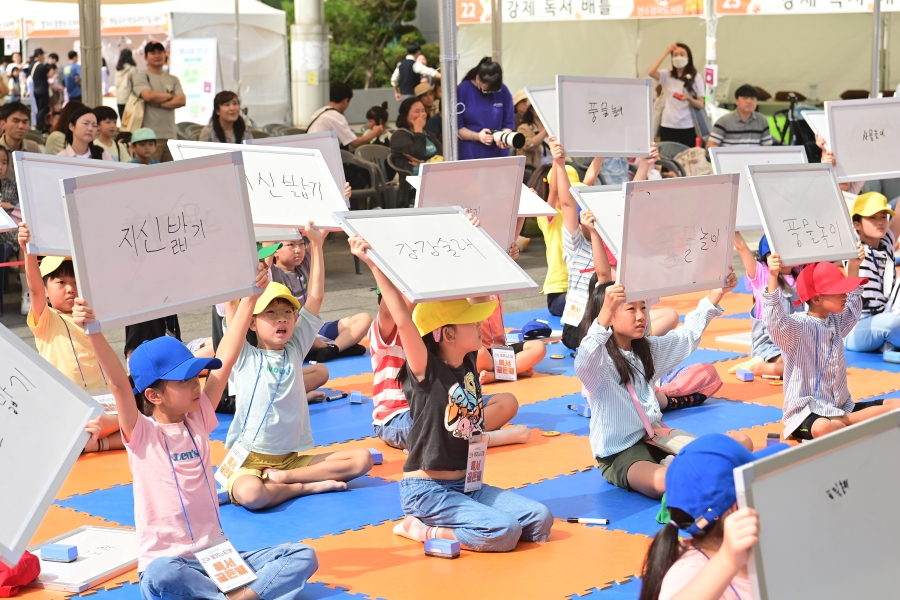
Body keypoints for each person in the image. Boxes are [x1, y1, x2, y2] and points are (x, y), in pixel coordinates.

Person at [73, 275, 321, 599]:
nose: (195, 385)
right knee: (161, 575)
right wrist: (94, 332)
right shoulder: (143, 433)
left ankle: (233, 597)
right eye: (184, 380)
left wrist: (249, 300)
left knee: (301, 556)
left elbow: (227, 357)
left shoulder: (198, 418)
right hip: (173, 566)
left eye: (196, 376)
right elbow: (120, 384)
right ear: (154, 394)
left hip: (218, 559)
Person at [350, 235, 554, 552]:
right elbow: (403, 321)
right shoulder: (425, 371)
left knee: (540, 520)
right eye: (470, 324)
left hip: (467, 485)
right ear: (446, 333)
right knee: (504, 532)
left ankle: (461, 522)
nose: (479, 326)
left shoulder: (468, 360)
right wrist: (374, 265)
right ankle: (420, 530)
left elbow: (480, 299)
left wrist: (485, 248)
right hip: (428, 491)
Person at [225, 224, 373, 510]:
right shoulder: (243, 354)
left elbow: (315, 297)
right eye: (271, 313)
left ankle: (288, 479)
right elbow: (234, 306)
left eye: (287, 312)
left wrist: (316, 245)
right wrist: (252, 271)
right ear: (252, 322)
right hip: (249, 459)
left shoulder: (294, 349)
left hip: (292, 460)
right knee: (251, 495)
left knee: (362, 459)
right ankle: (304, 487)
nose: (281, 318)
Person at [575, 275, 752, 499]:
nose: (641, 316)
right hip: (619, 453)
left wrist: (717, 293)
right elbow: (584, 360)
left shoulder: (647, 350)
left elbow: (686, 336)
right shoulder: (599, 364)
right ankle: (692, 472)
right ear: (609, 315)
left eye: (643, 308)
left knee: (741, 444)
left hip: (658, 437)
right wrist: (602, 318)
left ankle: (690, 469)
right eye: (631, 309)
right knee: (664, 482)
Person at [551, 139, 679, 349]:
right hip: (580, 328)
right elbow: (567, 204)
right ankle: (633, 341)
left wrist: (645, 164)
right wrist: (559, 162)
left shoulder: (618, 245)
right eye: (587, 218)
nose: (591, 221)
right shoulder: (577, 246)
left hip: (615, 320)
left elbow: (632, 201)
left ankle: (635, 340)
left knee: (670, 315)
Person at [765, 253, 900, 439]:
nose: (845, 295)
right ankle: (851, 421)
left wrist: (853, 266)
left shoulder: (836, 320)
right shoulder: (796, 326)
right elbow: (774, 321)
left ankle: (845, 421)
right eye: (839, 292)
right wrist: (773, 276)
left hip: (841, 407)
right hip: (806, 414)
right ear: (817, 299)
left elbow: (853, 303)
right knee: (823, 428)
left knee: (897, 406)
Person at [638, 434, 787, 600]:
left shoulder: (766, 548)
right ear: (736, 508)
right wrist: (727, 560)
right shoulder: (688, 573)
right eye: (760, 485)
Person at [17, 223, 123, 453]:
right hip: (71, 405)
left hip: (104, 400)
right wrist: (27, 251)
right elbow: (34, 289)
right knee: (90, 425)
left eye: (75, 283)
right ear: (46, 289)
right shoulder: (45, 318)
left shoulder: (87, 313)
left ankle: (97, 444)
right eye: (61, 282)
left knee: (140, 423)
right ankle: (91, 438)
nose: (70, 289)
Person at [266, 236, 371, 362]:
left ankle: (331, 350)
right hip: (291, 331)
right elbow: (268, 241)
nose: (298, 249)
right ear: (275, 251)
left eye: (301, 244)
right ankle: (336, 348)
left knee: (364, 318)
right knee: (295, 333)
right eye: (291, 245)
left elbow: (318, 236)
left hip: (314, 329)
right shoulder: (270, 272)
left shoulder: (304, 264)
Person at [729, 233, 801, 378]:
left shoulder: (799, 274)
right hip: (769, 346)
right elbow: (741, 246)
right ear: (769, 256)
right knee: (797, 367)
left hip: (795, 343)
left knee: (816, 362)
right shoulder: (762, 274)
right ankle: (759, 367)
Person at [844, 192, 900, 357]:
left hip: (884, 315)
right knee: (891, 324)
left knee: (891, 322)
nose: (880, 222)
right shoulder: (853, 246)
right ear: (857, 225)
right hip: (856, 326)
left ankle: (888, 345)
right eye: (872, 218)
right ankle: (888, 344)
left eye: (883, 217)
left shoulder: (886, 242)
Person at [131, 41, 185, 163]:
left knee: (171, 175)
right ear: (145, 57)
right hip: (148, 138)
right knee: (151, 174)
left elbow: (182, 100)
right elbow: (148, 96)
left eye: (160, 52)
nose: (157, 55)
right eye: (153, 53)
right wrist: (169, 96)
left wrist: (159, 102)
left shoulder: (173, 79)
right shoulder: (141, 75)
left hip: (171, 135)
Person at [457, 57, 515, 161]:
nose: (490, 93)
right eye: (487, 90)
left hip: (499, 153)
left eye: (494, 90)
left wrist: (504, 137)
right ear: (478, 78)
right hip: (471, 154)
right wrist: (478, 136)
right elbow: (457, 128)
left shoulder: (503, 90)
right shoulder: (463, 90)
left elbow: (508, 123)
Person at [648, 43, 704, 147]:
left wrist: (688, 99)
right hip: (668, 124)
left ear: (689, 57)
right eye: (675, 55)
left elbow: (700, 104)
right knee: (667, 158)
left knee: (686, 159)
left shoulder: (696, 77)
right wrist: (666, 53)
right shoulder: (667, 75)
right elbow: (651, 72)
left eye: (682, 54)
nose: (678, 57)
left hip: (688, 125)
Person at [390, 96, 442, 207]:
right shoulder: (399, 135)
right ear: (405, 115)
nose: (422, 114)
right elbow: (418, 152)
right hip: (412, 188)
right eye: (417, 111)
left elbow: (442, 154)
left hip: (434, 182)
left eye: (423, 111)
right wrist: (418, 129)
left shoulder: (428, 134)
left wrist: (424, 163)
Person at [307, 82, 384, 150]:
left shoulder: (317, 113)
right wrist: (374, 133)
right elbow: (355, 143)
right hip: (323, 159)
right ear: (345, 101)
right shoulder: (336, 116)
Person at [0, 149, 27, 315]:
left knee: (25, 241)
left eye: (4, 163)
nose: (0, 167)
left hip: (11, 230)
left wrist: (8, 206)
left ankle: (27, 293)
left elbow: (20, 205)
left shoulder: (11, 183)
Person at [707, 85, 772, 148]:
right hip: (730, 158)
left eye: (752, 98)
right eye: (745, 98)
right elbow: (710, 146)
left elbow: (767, 146)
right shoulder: (724, 121)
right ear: (737, 101)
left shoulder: (762, 120)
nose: (749, 101)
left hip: (755, 158)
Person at [0, 102, 42, 182]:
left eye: (25, 122)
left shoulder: (33, 148)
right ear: (3, 124)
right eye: (15, 121)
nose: (21, 126)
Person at [29, 49, 50, 132]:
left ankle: (38, 125)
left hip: (35, 90)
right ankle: (40, 126)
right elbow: (49, 74)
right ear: (39, 55)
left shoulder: (31, 65)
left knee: (37, 109)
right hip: (43, 90)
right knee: (42, 109)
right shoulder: (41, 66)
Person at [115, 48, 137, 119]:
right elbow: (136, 84)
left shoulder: (118, 69)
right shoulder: (132, 69)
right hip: (129, 99)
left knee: (123, 122)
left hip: (119, 98)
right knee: (130, 122)